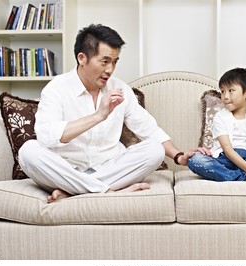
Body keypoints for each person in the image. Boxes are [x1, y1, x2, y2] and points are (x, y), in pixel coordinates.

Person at [18, 24, 207, 203]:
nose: (110, 69)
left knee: (154, 149)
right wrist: (98, 116)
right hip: (65, 170)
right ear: (82, 58)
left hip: (109, 169)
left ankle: (75, 192)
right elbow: (46, 136)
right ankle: (106, 192)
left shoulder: (120, 89)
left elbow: (149, 129)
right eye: (104, 61)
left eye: (114, 62)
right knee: (28, 152)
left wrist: (179, 157)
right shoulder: (57, 88)